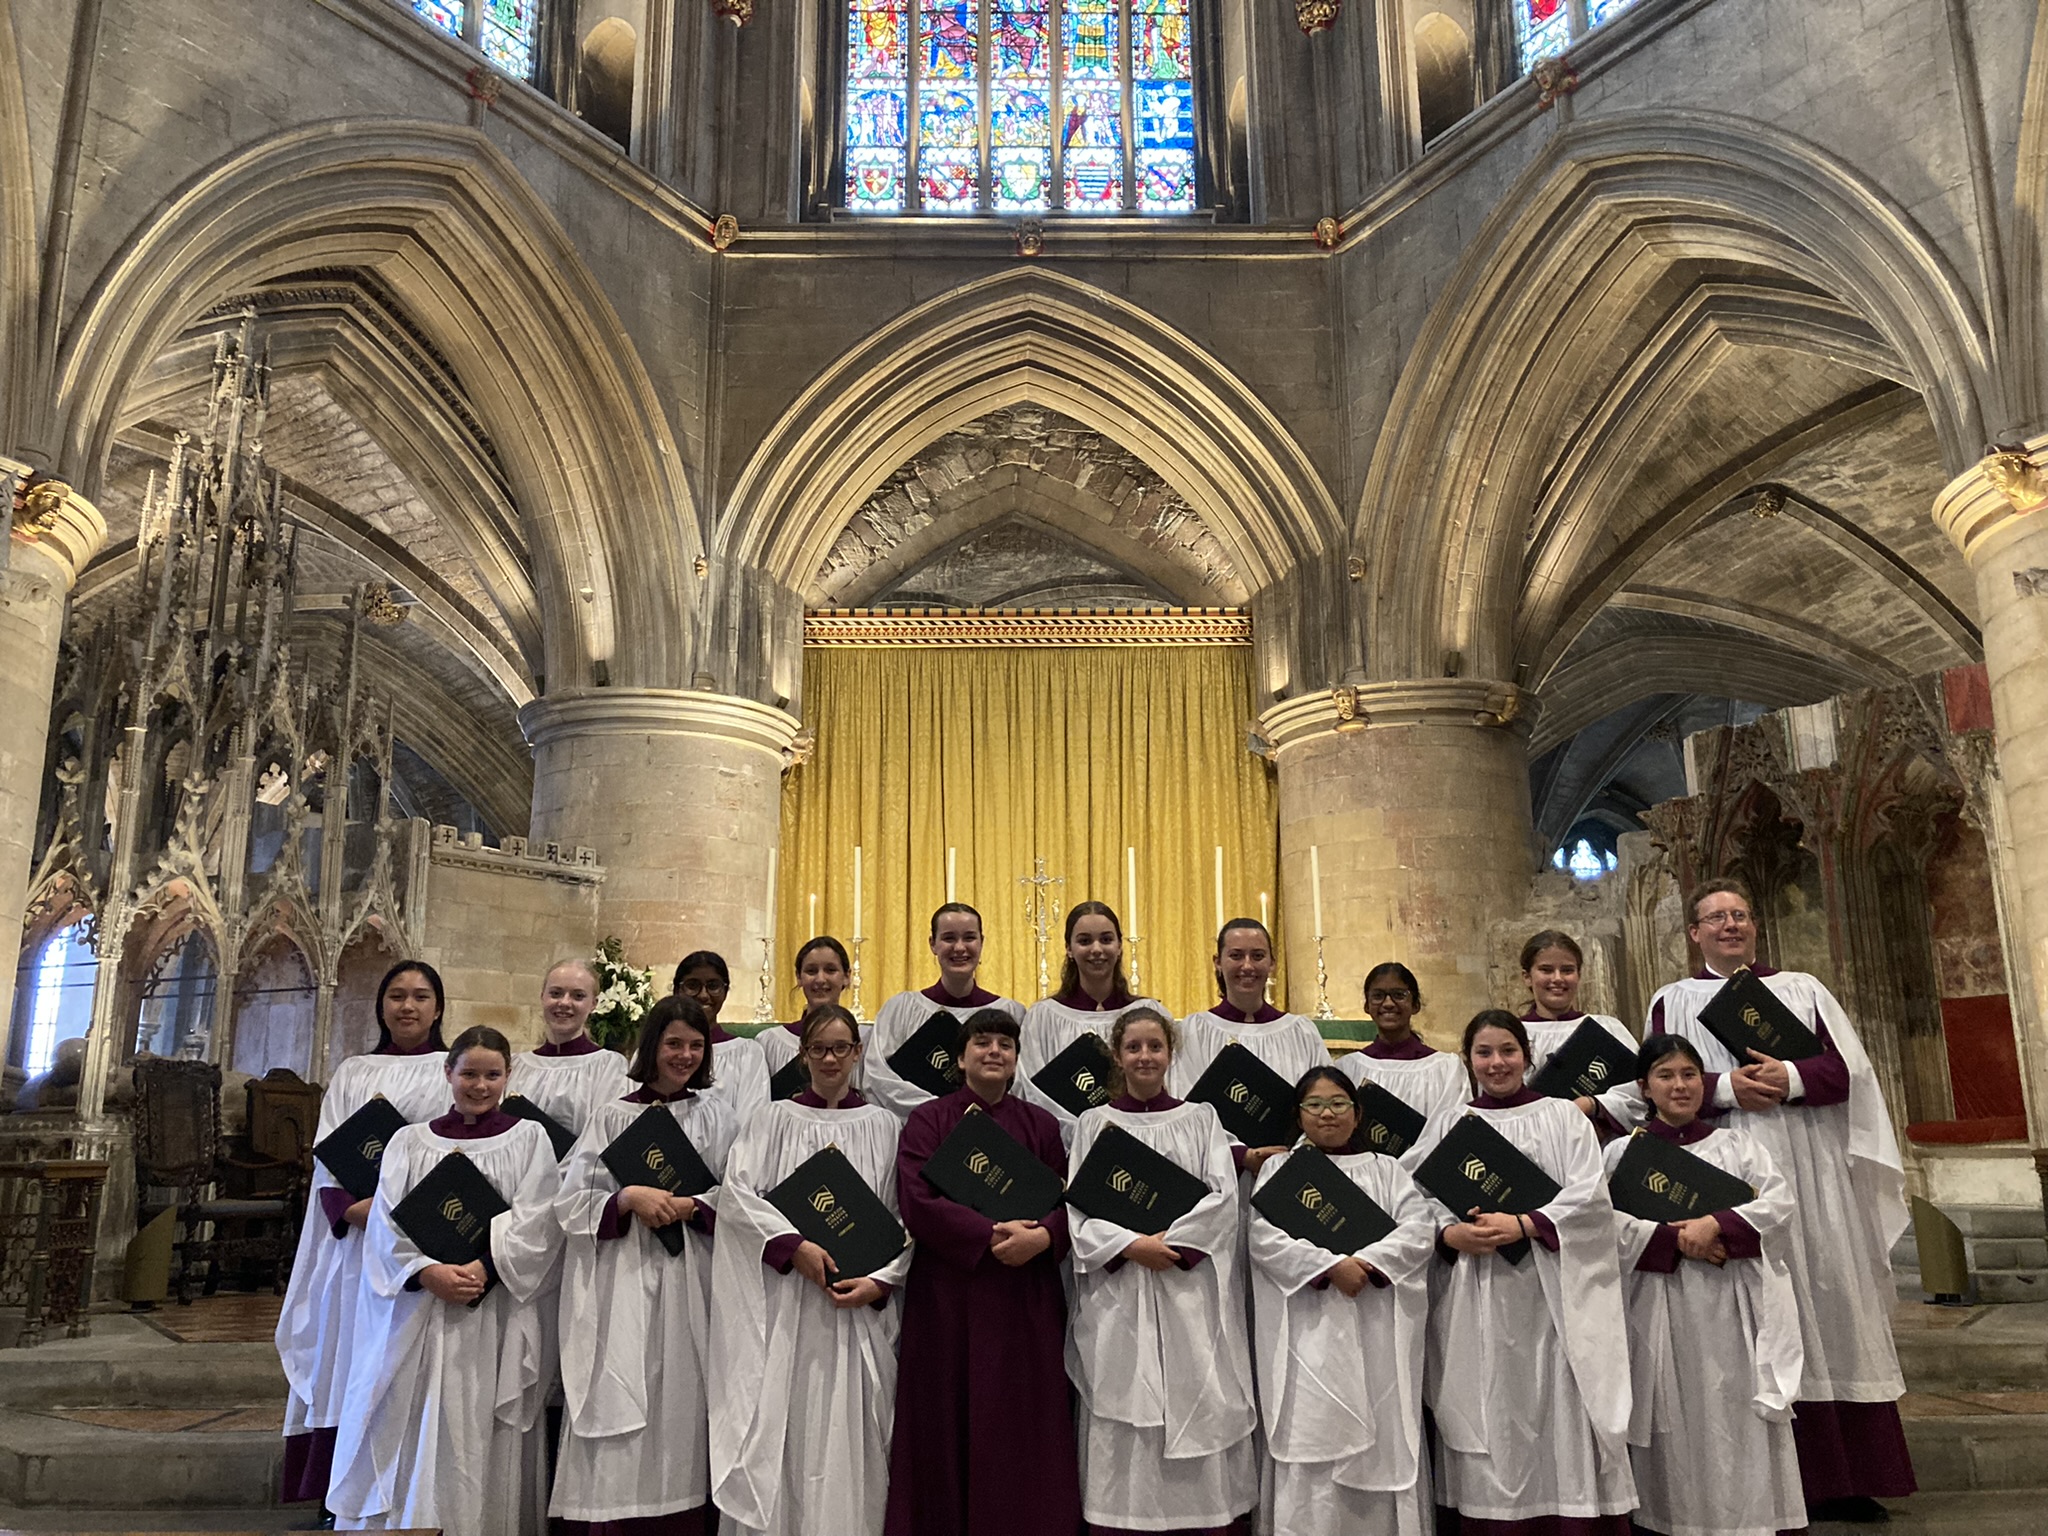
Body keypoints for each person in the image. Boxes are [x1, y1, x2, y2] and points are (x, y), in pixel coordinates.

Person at [1641, 878, 1912, 1521]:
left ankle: (1844, 1478)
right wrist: (1727, 1087)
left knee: (1826, 1297)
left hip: (1808, 1169)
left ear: (1754, 927)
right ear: (1694, 933)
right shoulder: (1671, 1000)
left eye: (1740, 915)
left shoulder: (1801, 988)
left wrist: (1788, 1076)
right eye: (1716, 918)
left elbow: (1848, 1072)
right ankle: (1748, 1476)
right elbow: (1650, 1079)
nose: (1730, 925)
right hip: (1721, 1170)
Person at [327, 1026, 564, 1536]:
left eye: (492, 1075)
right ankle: (409, 1520)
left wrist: (488, 1266)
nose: (480, 1086)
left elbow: (540, 1218)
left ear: (508, 1076)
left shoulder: (529, 1138)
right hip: (420, 1311)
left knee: (478, 1426)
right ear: (448, 1073)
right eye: (469, 1074)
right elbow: (386, 1223)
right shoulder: (409, 1141)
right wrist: (425, 1271)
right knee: (410, 1419)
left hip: (490, 1308)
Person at [1414, 1009, 1635, 1534]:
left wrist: (1528, 1223)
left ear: (1527, 1056)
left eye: (1508, 1051)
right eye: (1484, 1053)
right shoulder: (1449, 1123)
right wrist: (1448, 1233)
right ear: (1468, 1061)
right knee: (1490, 1405)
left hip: (1551, 1292)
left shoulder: (1562, 1116)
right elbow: (1412, 1198)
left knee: (1555, 1402)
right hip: (1477, 1292)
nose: (1497, 1063)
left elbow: (1590, 1196)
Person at [708, 1004, 914, 1536]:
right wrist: (792, 1245)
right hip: (787, 1306)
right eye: (819, 1048)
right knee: (783, 1425)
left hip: (856, 1309)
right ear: (802, 1055)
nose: (829, 1058)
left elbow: (901, 1218)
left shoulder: (883, 1126)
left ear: (857, 1053)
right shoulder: (772, 1118)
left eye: (840, 1047)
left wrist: (881, 1279)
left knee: (849, 1436)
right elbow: (738, 1197)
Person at [884, 1006, 1080, 1536]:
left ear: (1017, 1060)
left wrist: (1042, 1237)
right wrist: (986, 1235)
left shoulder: (1040, 1125)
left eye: (1005, 1045)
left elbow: (1068, 1202)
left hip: (1025, 1297)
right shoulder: (930, 1120)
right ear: (960, 1058)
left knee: (1022, 1424)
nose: (994, 1052)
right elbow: (916, 1198)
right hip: (950, 1294)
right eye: (982, 1044)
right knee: (945, 1421)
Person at [1066, 1006, 1258, 1535]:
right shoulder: (1094, 1123)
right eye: (1134, 1047)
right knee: (1125, 1397)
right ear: (1118, 1055)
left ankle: (1203, 1519)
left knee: (1192, 1387)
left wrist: (1167, 1245)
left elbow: (1222, 1201)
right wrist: (1130, 1246)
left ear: (1171, 1054)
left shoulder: (1201, 1118)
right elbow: (1078, 1210)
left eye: (1155, 1046)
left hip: (1186, 1288)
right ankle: (1121, 1519)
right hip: (1122, 1290)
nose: (1145, 1056)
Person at [552, 995, 739, 1536]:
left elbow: (743, 1194)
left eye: (695, 1045)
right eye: (673, 1043)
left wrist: (694, 1205)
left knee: (685, 1394)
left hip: (693, 1278)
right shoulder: (614, 1115)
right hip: (625, 1279)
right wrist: (627, 1197)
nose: (683, 1055)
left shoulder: (717, 1116)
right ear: (651, 1045)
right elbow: (570, 1201)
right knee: (626, 1387)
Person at [1606, 1034, 1804, 1536]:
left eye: (1689, 1074)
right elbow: (1600, 1226)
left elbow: (1778, 1206)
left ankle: (1747, 1522)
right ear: (1644, 1087)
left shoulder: (1738, 1145)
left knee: (1736, 1417)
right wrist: (1671, 1237)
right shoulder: (1620, 1156)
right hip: (1657, 1306)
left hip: (1732, 1307)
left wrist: (1718, 1225)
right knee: (1675, 1426)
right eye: (1666, 1076)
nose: (1680, 1086)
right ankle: (1675, 1523)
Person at [276, 959, 454, 1509]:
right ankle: (342, 1491)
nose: (408, 1006)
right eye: (397, 995)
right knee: (351, 1353)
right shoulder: (354, 1071)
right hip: (356, 1244)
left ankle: (403, 1488)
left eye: (421, 996)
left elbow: (458, 1154)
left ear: (439, 1007)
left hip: (420, 1246)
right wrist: (361, 1213)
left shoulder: (454, 1068)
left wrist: (409, 1220)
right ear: (381, 1005)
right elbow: (328, 1157)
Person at [1247, 1067, 1438, 1536]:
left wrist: (1366, 1264)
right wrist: (1329, 1267)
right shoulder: (1280, 1171)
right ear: (1298, 1115)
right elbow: (1263, 1238)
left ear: (1358, 1114)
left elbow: (1418, 1231)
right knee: (1314, 1436)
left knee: (1381, 1434)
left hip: (1375, 1324)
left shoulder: (1386, 1169)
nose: (1327, 1113)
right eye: (1314, 1105)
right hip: (1309, 1333)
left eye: (1338, 1103)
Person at [1174, 917, 1330, 1176]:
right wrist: (1241, 1155)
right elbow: (1184, 1103)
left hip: (1291, 1169)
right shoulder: (1193, 1031)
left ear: (1272, 963)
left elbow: (1323, 1098)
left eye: (1257, 956)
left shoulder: (1300, 1031)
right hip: (1217, 1172)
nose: (1247, 966)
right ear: (1218, 962)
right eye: (1236, 955)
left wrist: (1292, 1154)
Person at [1017, 901, 1163, 1143]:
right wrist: (1084, 1132)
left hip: (1143, 1140)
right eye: (1085, 941)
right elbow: (1031, 1090)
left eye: (1106, 939)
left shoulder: (1149, 1013)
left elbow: (1169, 1080)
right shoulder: (1043, 1017)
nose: (1097, 949)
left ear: (1119, 946)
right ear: (1069, 949)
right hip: (1065, 1145)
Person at [866, 904, 1026, 1120]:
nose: (959, 948)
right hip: (919, 1129)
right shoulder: (901, 1009)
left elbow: (1021, 1081)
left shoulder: (1011, 1012)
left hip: (993, 1127)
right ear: (933, 944)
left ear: (981, 942)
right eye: (949, 938)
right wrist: (943, 1111)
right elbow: (878, 1077)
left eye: (969, 937)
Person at [1518, 931, 1638, 1127]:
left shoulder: (1607, 1028)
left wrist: (1594, 1104)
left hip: (1601, 1139)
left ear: (1579, 975)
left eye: (1567, 970)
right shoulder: (1514, 1035)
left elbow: (1639, 1091)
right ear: (1527, 977)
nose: (1557, 978)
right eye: (1546, 970)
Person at [1336, 963, 1469, 1136]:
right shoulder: (1346, 1069)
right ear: (1367, 1006)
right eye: (1378, 996)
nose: (1388, 1003)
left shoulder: (1447, 1069)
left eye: (1399, 995)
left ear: (1415, 1005)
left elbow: (1454, 1130)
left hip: (1429, 1163)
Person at [509, 957, 633, 1136]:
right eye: (556, 993)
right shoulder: (517, 1065)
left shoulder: (609, 1067)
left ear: (593, 1004)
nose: (565, 1003)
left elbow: (610, 1134)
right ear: (542, 997)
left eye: (578, 996)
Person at [676, 950, 770, 1117]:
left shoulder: (747, 1053)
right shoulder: (656, 1051)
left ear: (725, 992)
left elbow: (752, 1122)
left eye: (713, 986)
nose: (704, 995)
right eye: (692, 985)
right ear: (677, 990)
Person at [758, 936, 855, 1090]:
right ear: (798, 977)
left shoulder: (864, 1041)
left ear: (847, 976)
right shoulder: (771, 1042)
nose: (820, 979)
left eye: (830, 970)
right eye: (811, 971)